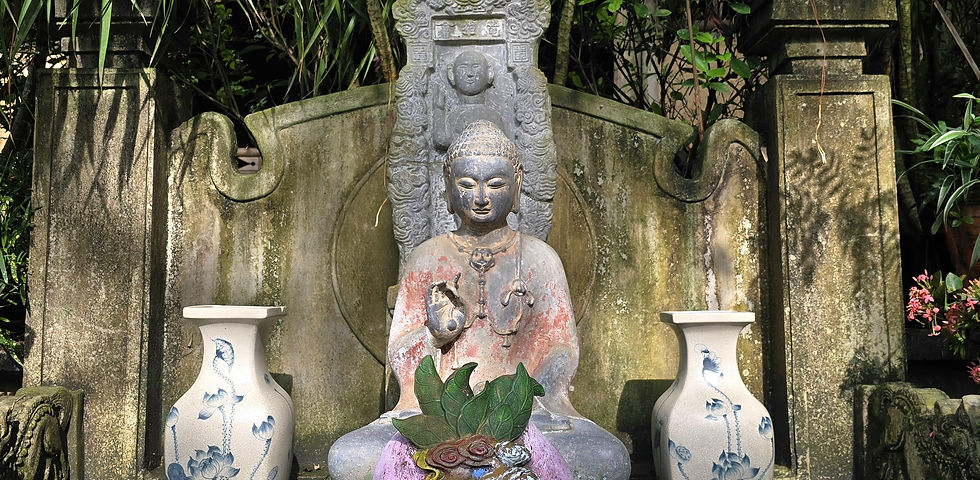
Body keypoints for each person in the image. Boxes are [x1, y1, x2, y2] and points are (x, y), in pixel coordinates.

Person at [328, 121, 629, 480]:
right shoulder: (426, 258)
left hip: (523, 412)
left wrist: (528, 397)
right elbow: (400, 353)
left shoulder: (541, 259)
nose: (482, 197)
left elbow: (561, 349)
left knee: (606, 457)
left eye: (496, 184)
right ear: (448, 188)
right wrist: (434, 336)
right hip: (438, 413)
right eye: (467, 184)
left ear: (517, 185)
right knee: (348, 456)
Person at [432, 50, 509, 150]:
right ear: (452, 74)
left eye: (476, 67)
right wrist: (439, 109)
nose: (470, 73)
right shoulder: (454, 115)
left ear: (489, 73)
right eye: (463, 67)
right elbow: (441, 141)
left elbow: (502, 147)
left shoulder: (492, 116)